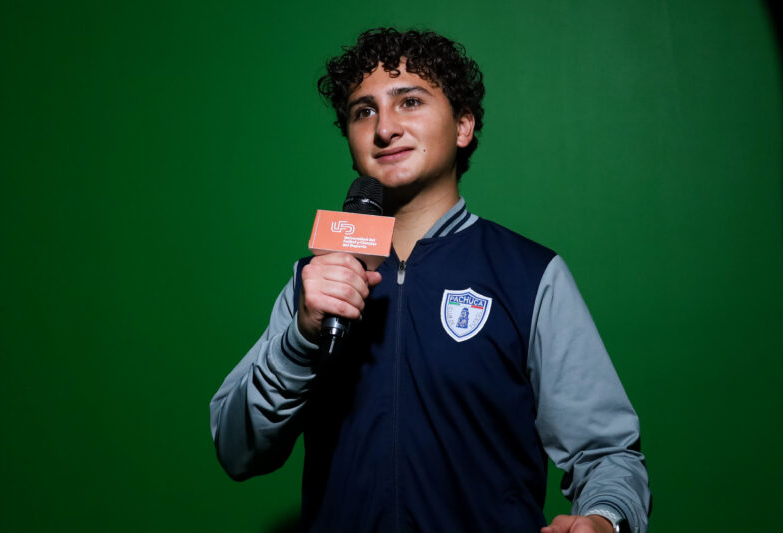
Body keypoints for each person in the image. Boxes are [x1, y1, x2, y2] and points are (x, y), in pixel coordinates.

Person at [210, 28, 650, 533]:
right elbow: (236, 449)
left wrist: (605, 519)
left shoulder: (530, 275)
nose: (384, 128)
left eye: (410, 101)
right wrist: (300, 338)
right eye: (364, 111)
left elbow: (607, 452)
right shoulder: (316, 282)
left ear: (463, 126)